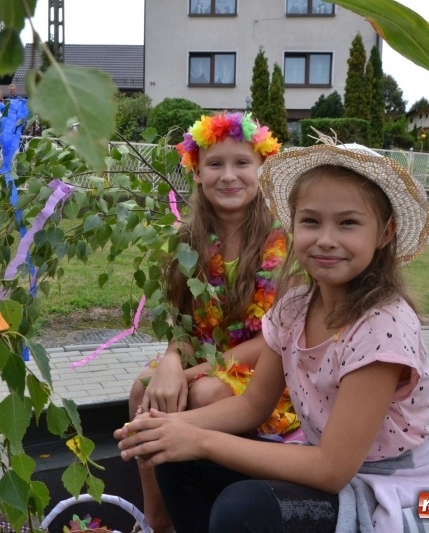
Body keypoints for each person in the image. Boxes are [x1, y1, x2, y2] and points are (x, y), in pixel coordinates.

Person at [116, 140, 429, 532]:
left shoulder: (383, 326)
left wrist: (198, 439)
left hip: (394, 497)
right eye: (310, 221)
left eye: (348, 223)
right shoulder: (295, 307)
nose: (325, 238)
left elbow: (330, 470)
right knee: (172, 453)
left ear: (385, 232)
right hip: (334, 479)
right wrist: (171, 429)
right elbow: (252, 406)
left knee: (245, 508)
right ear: (293, 225)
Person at [126, 112, 296, 533]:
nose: (229, 175)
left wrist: (194, 372)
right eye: (215, 164)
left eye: (242, 163)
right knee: (143, 390)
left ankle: (211, 512)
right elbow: (186, 326)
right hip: (208, 360)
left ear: (262, 169)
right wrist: (170, 362)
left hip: (273, 370)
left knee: (203, 393)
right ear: (197, 173)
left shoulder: (288, 240)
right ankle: (156, 518)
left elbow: (281, 335)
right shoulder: (187, 241)